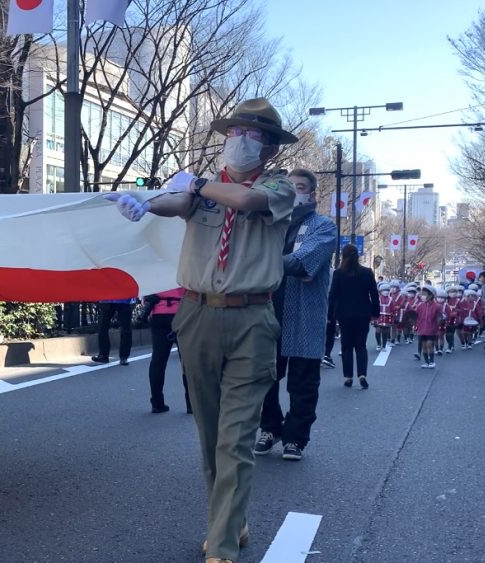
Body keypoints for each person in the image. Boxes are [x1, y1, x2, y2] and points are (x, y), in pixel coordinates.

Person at [105, 97, 297, 563]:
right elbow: (180, 202)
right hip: (195, 314)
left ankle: (224, 544)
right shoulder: (204, 189)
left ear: (269, 148)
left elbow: (245, 200)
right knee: (209, 434)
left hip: (252, 319)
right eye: (234, 132)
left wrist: (198, 182)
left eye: (251, 135)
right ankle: (230, 520)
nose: (239, 141)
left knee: (235, 436)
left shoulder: (277, 186)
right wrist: (146, 205)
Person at [255, 167, 337, 461]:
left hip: (305, 312)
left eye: (299, 187)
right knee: (264, 377)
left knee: (303, 381)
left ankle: (296, 438)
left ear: (311, 193)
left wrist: (259, 260)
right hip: (266, 310)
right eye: (288, 187)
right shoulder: (269, 222)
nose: (293, 192)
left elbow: (304, 262)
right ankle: (269, 427)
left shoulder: (323, 226)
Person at [328, 244, 379, 390]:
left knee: (346, 345)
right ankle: (362, 375)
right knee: (361, 345)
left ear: (343, 256)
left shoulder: (338, 273)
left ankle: (348, 376)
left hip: (344, 313)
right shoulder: (367, 272)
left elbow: (333, 296)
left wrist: (331, 315)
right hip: (363, 313)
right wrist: (375, 313)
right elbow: (374, 294)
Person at [140, 288, 191, 413]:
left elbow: (144, 293)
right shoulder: (181, 268)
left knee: (158, 360)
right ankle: (191, 404)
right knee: (187, 361)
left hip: (158, 314)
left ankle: (157, 403)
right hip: (182, 313)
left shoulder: (152, 270)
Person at [92, 298, 136, 365]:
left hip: (124, 298)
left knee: (126, 328)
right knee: (102, 326)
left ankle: (123, 357)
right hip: (108, 298)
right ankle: (103, 355)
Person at [412, 286, 443, 368]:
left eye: (424, 294)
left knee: (430, 345)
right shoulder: (420, 306)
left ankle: (432, 361)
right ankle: (426, 362)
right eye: (422, 294)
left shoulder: (437, 306)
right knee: (424, 346)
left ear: (431, 295)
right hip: (421, 329)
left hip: (432, 329)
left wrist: (439, 321)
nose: (422, 296)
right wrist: (414, 326)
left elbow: (440, 317)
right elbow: (415, 317)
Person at [374, 282, 393, 351]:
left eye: (387, 290)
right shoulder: (377, 299)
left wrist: (392, 318)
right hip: (378, 317)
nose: (386, 292)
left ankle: (384, 346)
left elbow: (393, 310)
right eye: (384, 290)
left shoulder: (391, 300)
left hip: (387, 318)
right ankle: (378, 344)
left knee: (385, 332)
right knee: (378, 330)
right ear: (381, 291)